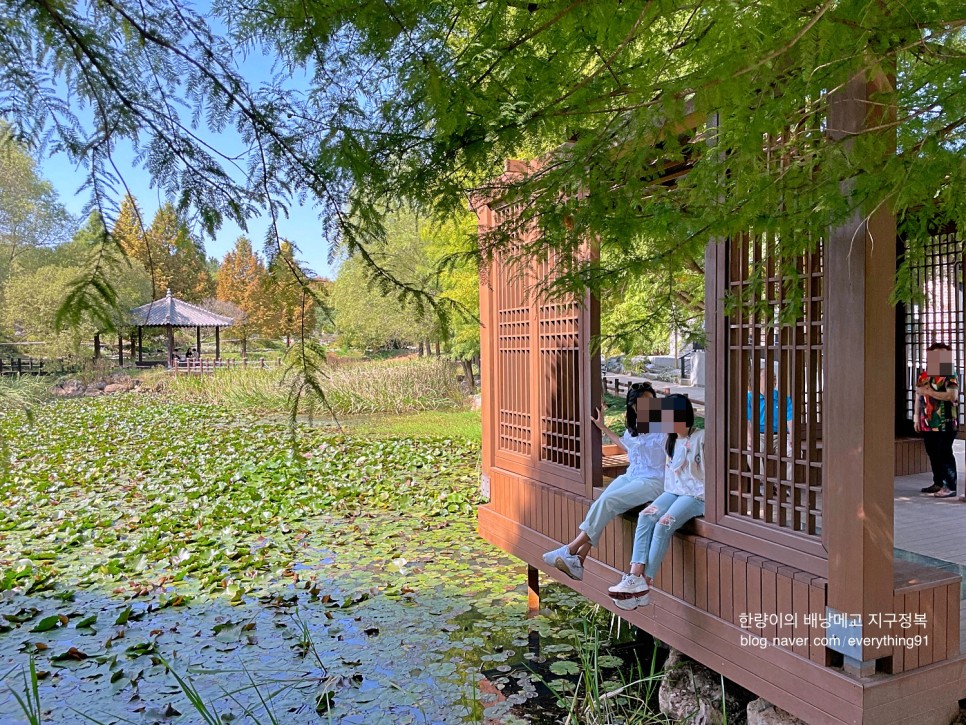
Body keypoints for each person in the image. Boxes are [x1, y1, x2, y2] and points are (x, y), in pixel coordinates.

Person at [542, 382, 667, 581]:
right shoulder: (635, 426)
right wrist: (602, 427)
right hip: (632, 475)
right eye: (641, 404)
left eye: (651, 402)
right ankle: (579, 560)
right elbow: (626, 446)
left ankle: (570, 549)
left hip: (653, 481)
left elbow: (674, 451)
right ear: (633, 406)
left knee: (609, 502)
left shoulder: (663, 426)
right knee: (604, 498)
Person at [608, 394, 705, 610]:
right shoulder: (670, 440)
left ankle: (645, 582)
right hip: (674, 492)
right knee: (646, 516)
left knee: (663, 524)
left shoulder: (701, 437)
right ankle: (634, 576)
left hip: (696, 495)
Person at [915, 342, 959, 498]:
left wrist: (930, 392)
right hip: (927, 422)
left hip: (946, 421)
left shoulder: (950, 374)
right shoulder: (924, 375)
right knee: (932, 452)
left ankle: (950, 486)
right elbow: (918, 395)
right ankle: (938, 482)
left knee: (945, 452)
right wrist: (916, 416)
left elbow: (952, 396)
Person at [746, 363, 793, 482]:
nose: (772, 380)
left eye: (774, 378)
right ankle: (765, 483)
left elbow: (790, 418)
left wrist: (792, 436)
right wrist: (749, 435)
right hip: (759, 435)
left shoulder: (783, 398)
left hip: (781, 435)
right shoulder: (750, 397)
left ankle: (784, 484)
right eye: (766, 377)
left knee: (793, 451)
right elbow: (746, 418)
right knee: (751, 451)